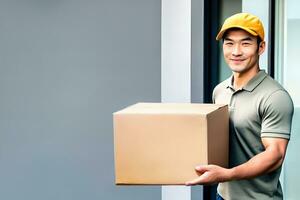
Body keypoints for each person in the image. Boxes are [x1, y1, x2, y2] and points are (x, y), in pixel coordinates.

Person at [185, 13, 294, 200]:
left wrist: (227, 174)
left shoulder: (275, 97)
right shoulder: (220, 91)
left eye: (245, 43)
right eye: (229, 43)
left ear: (261, 47)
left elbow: (275, 154)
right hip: (222, 195)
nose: (236, 51)